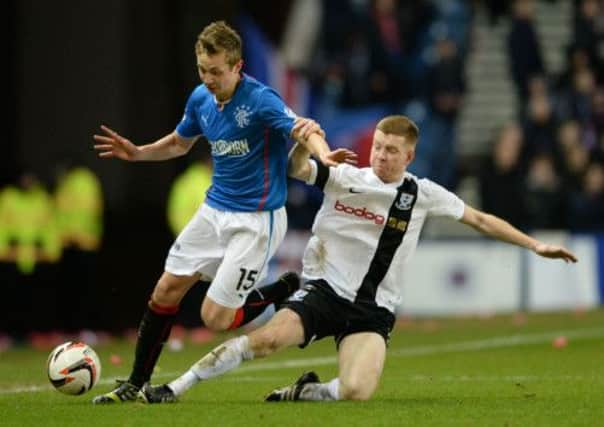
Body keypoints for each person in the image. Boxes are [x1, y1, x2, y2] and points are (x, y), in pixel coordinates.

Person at [139, 115, 578, 404]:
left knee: (356, 391)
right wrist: (302, 145)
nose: (382, 155)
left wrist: (535, 246)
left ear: (409, 156)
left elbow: (480, 220)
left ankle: (304, 392)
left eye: (392, 151)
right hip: (324, 292)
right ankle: (177, 387)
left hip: (373, 309)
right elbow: (296, 170)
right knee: (268, 341)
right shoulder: (345, 174)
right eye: (379, 146)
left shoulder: (422, 194)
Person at [91, 21, 353, 404]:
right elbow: (180, 144)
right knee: (166, 289)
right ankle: (134, 384)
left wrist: (323, 154)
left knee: (215, 319)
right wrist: (139, 152)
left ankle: (283, 289)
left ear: (237, 66)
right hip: (214, 211)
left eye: (216, 71)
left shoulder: (260, 99)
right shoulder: (200, 98)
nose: (208, 78)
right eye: (202, 69)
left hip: (256, 221)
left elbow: (303, 128)